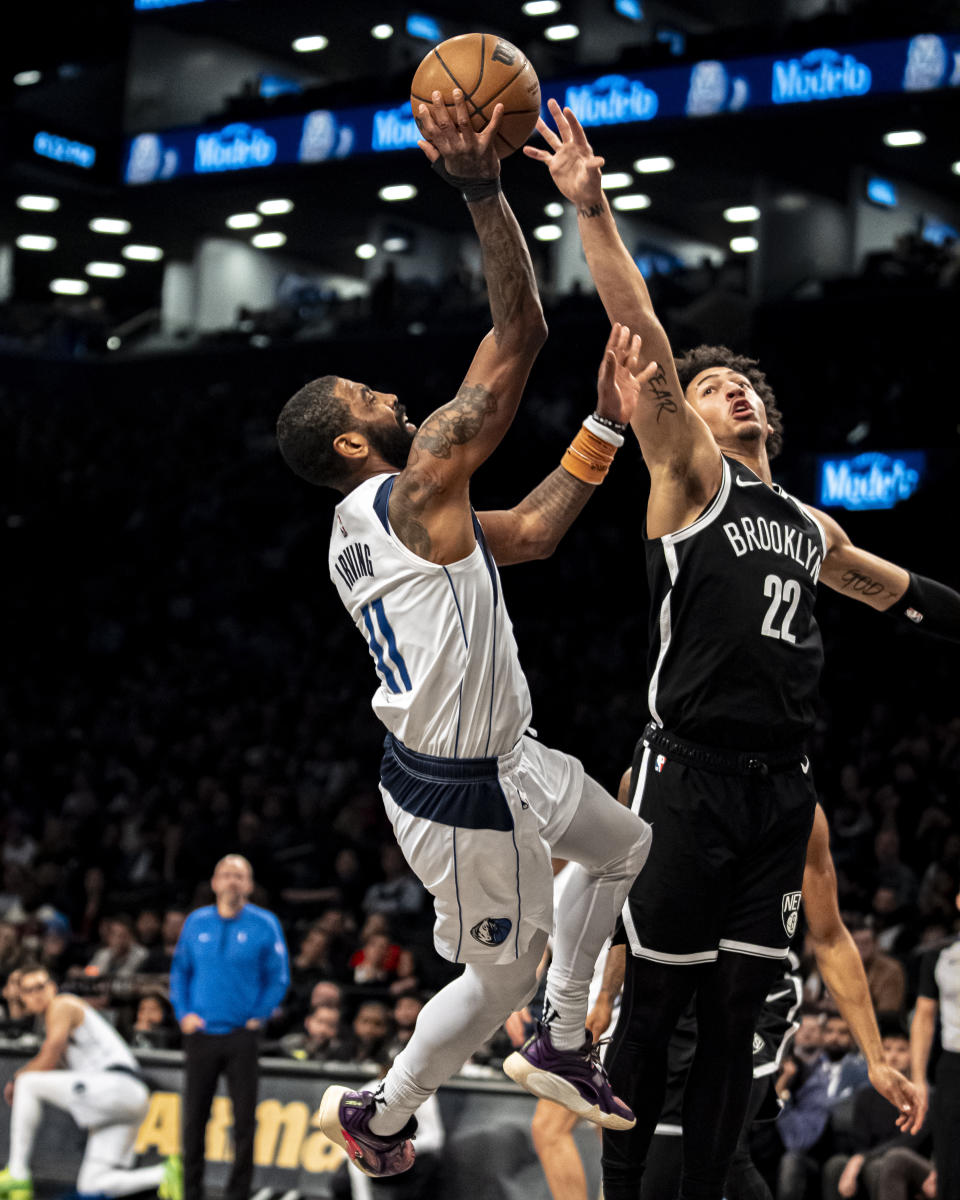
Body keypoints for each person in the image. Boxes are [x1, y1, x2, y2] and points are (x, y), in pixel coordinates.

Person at [525, 98, 953, 1200]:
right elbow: (646, 335)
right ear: (690, 418)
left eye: (751, 386)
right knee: (657, 999)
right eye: (720, 388)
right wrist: (592, 206)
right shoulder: (690, 478)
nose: (738, 391)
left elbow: (906, 595)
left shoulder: (813, 529)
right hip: (689, 767)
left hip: (782, 785)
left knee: (731, 1018)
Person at [276, 87, 654, 1180]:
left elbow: (530, 536)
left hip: (497, 752)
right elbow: (522, 329)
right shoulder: (414, 486)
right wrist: (485, 188)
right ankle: (383, 1113)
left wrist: (603, 426)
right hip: (462, 786)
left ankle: (567, 1034)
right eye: (368, 393)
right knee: (497, 977)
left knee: (622, 844)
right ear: (354, 442)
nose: (393, 390)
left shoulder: (391, 515)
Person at [0, 963, 180, 1200]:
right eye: (29, 989)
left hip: (117, 1085)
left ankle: (17, 1172)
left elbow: (50, 1054)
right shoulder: (49, 1016)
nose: (38, 993)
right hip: (126, 1100)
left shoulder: (62, 1004)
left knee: (28, 1083)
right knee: (92, 1184)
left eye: (42, 986)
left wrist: (16, 1078)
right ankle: (164, 1173)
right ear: (22, 995)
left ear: (52, 987)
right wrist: (13, 996)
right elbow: (21, 1021)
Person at [169, 854, 289, 1200]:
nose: (232, 880)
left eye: (239, 875)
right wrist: (183, 1014)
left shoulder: (265, 924)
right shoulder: (196, 922)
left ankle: (237, 1194)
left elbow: (277, 978)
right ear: (214, 882)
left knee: (244, 1123)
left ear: (249, 885)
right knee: (194, 1120)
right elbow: (180, 972)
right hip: (201, 1034)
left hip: (241, 1036)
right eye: (225, 874)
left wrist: (259, 1015)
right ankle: (192, 1192)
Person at [911, 882, 960, 1200]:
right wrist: (917, 1079)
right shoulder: (939, 956)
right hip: (953, 1065)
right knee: (952, 1166)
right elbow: (924, 1017)